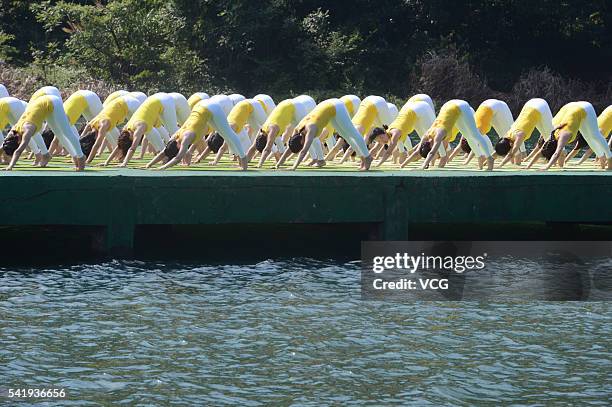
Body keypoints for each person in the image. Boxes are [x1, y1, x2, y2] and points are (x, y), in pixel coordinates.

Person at [146, 99, 248, 170]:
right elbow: (164, 152)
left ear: (178, 146)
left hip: (211, 107)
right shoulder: (174, 137)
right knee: (222, 134)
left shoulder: (186, 138)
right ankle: (241, 161)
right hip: (200, 106)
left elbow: (178, 158)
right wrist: (149, 165)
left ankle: (244, 162)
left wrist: (163, 167)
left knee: (228, 134)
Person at [276, 98, 373, 170]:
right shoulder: (297, 132)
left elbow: (303, 151)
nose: (302, 146)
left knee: (352, 133)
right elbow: (291, 147)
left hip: (335, 106)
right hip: (326, 108)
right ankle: (362, 158)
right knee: (345, 136)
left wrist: (293, 167)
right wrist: (278, 164)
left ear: (302, 141)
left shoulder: (310, 130)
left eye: (301, 145)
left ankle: (368, 157)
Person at [404, 99, 494, 170]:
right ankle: (480, 157)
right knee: (467, 137)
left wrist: (423, 166)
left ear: (431, 146)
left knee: (475, 134)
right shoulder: (426, 135)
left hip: (460, 106)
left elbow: (432, 153)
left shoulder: (438, 135)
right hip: (448, 107)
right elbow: (416, 152)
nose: (438, 152)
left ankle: (489, 159)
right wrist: (403, 165)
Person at [3, 94, 84, 170]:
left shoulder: (27, 130)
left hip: (52, 101)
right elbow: (4, 145)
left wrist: (10, 166)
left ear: (18, 141)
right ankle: (46, 155)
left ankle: (81, 158)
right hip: (42, 105)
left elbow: (18, 151)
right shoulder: (13, 131)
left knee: (66, 132)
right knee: (58, 133)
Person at [529, 101, 612, 171]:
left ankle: (609, 157)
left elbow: (557, 153)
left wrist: (547, 167)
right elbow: (541, 152)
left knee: (594, 136)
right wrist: (528, 166)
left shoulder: (563, 137)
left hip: (585, 108)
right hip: (572, 110)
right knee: (587, 137)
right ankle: (602, 159)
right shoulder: (551, 137)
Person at [108, 92, 180, 167]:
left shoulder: (139, 128)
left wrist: (124, 163)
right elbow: (119, 146)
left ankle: (185, 155)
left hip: (164, 100)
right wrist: (107, 162)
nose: (134, 139)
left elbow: (133, 148)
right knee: (163, 142)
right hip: (154, 99)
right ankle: (168, 157)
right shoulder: (126, 128)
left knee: (174, 132)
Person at [246, 96, 314, 167]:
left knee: (309, 134)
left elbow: (267, 149)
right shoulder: (262, 131)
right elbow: (254, 146)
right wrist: (246, 160)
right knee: (295, 141)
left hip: (296, 106)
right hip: (285, 105)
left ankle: (318, 159)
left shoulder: (272, 129)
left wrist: (259, 164)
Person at [370, 100, 437, 166]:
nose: (381, 142)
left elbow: (388, 152)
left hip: (419, 108)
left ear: (384, 133)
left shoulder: (394, 133)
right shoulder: (389, 133)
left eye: (380, 138)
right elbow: (395, 151)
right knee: (417, 151)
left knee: (433, 135)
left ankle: (441, 155)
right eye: (378, 141)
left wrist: (378, 165)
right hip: (410, 111)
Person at [80, 95, 142, 163]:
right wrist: (78, 156)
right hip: (122, 101)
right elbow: (81, 139)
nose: (98, 139)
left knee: (139, 132)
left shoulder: (103, 125)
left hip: (131, 103)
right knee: (124, 138)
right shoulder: (90, 124)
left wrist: (88, 160)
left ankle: (124, 157)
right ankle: (123, 156)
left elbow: (97, 145)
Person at [449, 99, 514, 165]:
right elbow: (460, 146)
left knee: (508, 144)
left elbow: (475, 150)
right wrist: (450, 158)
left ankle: (514, 160)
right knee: (498, 148)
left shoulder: (475, 133)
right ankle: (513, 160)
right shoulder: (468, 132)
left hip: (490, 108)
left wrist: (467, 161)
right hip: (487, 106)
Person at [495, 98, 553, 167]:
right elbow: (501, 147)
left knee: (553, 139)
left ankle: (560, 166)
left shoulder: (518, 136)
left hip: (540, 106)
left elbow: (512, 154)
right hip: (529, 104)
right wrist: (491, 159)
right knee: (547, 138)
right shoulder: (507, 136)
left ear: (510, 145)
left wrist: (500, 165)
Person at [209, 98, 269, 165]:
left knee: (265, 131)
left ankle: (278, 155)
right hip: (244, 106)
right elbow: (230, 148)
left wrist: (215, 161)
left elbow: (223, 148)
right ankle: (247, 160)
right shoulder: (225, 128)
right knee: (256, 139)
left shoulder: (229, 130)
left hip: (254, 104)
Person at [0, 96, 50, 166]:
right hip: (11, 104)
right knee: (20, 132)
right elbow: (7, 140)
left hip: (12, 104)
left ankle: (42, 154)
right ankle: (38, 154)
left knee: (28, 131)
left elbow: (6, 141)